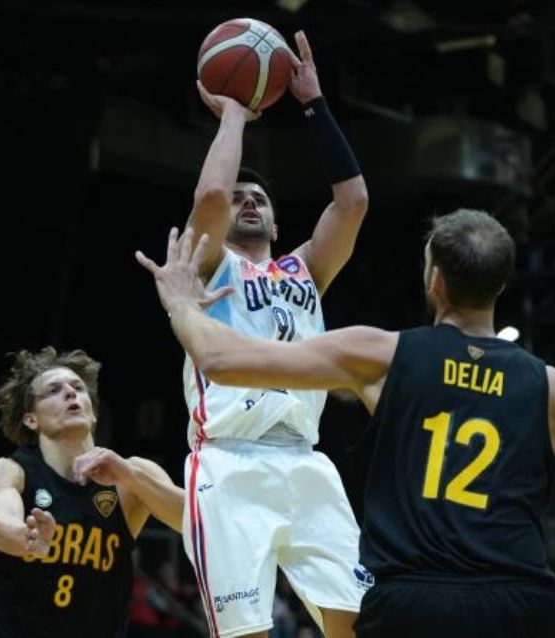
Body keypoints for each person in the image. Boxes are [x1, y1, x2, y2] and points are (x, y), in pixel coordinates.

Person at [137, 219, 555, 638]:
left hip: (413, 603)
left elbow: (221, 360)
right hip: (518, 604)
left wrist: (182, 304)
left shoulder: (381, 354)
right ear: (499, 285)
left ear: (434, 280)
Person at [180, 27, 370, 638]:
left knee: (360, 622)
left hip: (305, 459)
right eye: (240, 198)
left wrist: (314, 103)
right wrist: (235, 116)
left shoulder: (304, 270)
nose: (247, 202)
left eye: (258, 198)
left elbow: (353, 201)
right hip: (230, 461)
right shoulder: (208, 264)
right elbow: (211, 192)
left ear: (277, 222)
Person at [0, 346, 184, 638]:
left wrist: (133, 478)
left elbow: (197, 522)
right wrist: (28, 538)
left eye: (78, 388)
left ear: (92, 413)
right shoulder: (8, 470)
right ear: (31, 419)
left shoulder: (131, 475)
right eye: (53, 390)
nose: (70, 393)